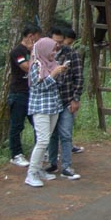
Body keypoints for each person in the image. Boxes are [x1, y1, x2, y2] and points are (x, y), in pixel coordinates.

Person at [25, 37, 68, 188]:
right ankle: (31, 174)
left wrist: (60, 72)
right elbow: (38, 87)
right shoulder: (36, 65)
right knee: (42, 140)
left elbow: (55, 84)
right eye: (52, 50)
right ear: (44, 50)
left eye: (56, 49)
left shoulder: (52, 64)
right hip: (40, 108)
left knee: (45, 140)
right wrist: (53, 74)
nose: (54, 53)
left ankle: (39, 169)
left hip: (53, 106)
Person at [45, 27, 84, 180]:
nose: (58, 45)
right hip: (50, 102)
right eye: (55, 41)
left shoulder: (72, 54)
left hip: (67, 100)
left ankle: (66, 166)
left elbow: (79, 77)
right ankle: (52, 163)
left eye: (61, 42)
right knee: (52, 135)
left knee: (66, 134)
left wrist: (76, 98)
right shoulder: (45, 55)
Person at [8, 24, 42, 167]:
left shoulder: (34, 51)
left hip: (32, 93)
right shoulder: (18, 51)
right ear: (30, 36)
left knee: (38, 124)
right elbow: (26, 67)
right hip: (19, 93)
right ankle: (16, 154)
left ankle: (39, 152)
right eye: (37, 38)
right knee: (17, 125)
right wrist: (34, 54)